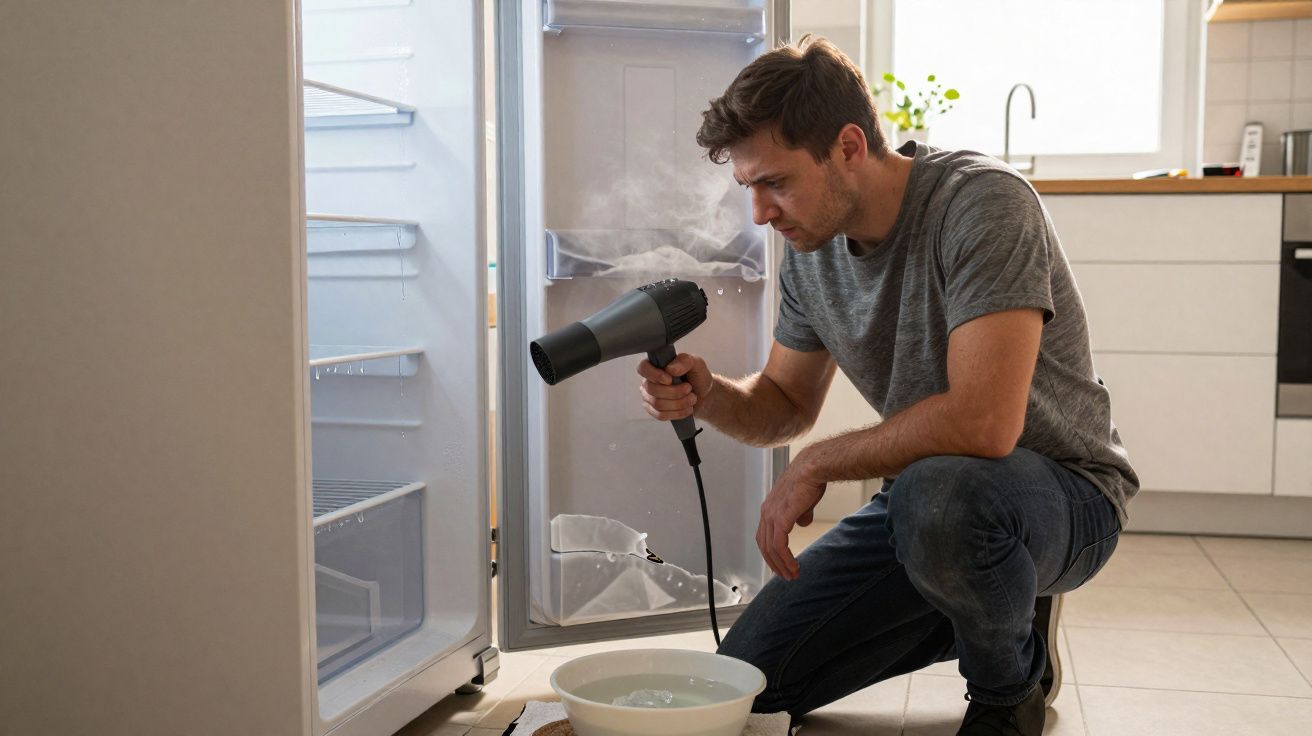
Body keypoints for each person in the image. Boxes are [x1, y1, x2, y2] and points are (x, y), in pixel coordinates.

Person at [636, 36, 1137, 736]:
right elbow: (784, 406)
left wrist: (817, 463)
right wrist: (711, 393)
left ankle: (1008, 692)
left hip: (1064, 494)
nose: (760, 214)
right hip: (933, 505)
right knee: (747, 686)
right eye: (749, 188)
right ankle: (985, 602)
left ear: (847, 147)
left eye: (774, 182)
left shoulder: (981, 204)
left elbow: (985, 425)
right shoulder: (810, 256)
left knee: (942, 499)